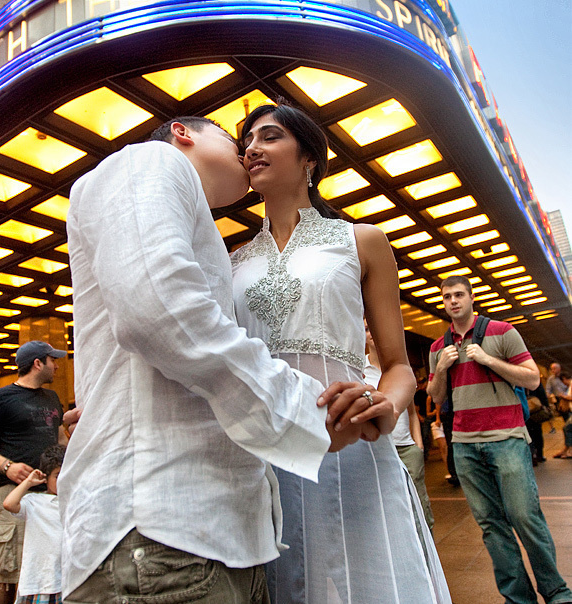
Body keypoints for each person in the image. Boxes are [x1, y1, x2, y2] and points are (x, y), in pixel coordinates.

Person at [61, 115, 371, 604]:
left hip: (214, 533)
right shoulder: (150, 160)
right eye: (234, 138)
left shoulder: (197, 223)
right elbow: (159, 309)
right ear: (183, 132)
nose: (246, 151)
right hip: (164, 529)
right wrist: (302, 410)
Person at [233, 102, 449, 602]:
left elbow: (398, 366)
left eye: (269, 136)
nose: (252, 149)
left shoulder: (361, 241)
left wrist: (384, 404)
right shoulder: (232, 261)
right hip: (264, 449)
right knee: (285, 585)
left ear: (309, 156)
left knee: (371, 583)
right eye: (247, 142)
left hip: (351, 440)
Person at [427, 275, 572, 603]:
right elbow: (436, 397)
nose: (453, 301)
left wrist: (488, 359)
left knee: (525, 517)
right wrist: (443, 368)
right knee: (491, 525)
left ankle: (556, 592)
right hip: (464, 444)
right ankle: (518, 597)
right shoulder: (438, 348)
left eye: (459, 294)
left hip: (506, 438)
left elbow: (532, 379)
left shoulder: (502, 332)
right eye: (447, 296)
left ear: (471, 297)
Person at [0, 340, 69, 604]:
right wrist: (7, 466)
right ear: (38, 363)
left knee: (45, 570)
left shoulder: (52, 398)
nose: (57, 366)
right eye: (52, 360)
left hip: (49, 498)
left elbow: (60, 439)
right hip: (11, 494)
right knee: (5, 575)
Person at [364, 323, 434, 530]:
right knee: (388, 510)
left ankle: (426, 549)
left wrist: (417, 445)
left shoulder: (401, 369)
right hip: (378, 449)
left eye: (374, 326)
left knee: (420, 510)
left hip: (407, 448)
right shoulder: (359, 370)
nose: (372, 332)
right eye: (366, 328)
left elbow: (411, 412)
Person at [2, 444, 66, 604]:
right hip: (39, 581)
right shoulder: (34, 501)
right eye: (57, 476)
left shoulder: (74, 502)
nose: (63, 480)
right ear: (46, 478)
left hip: (65, 580)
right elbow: (9, 504)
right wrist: (28, 482)